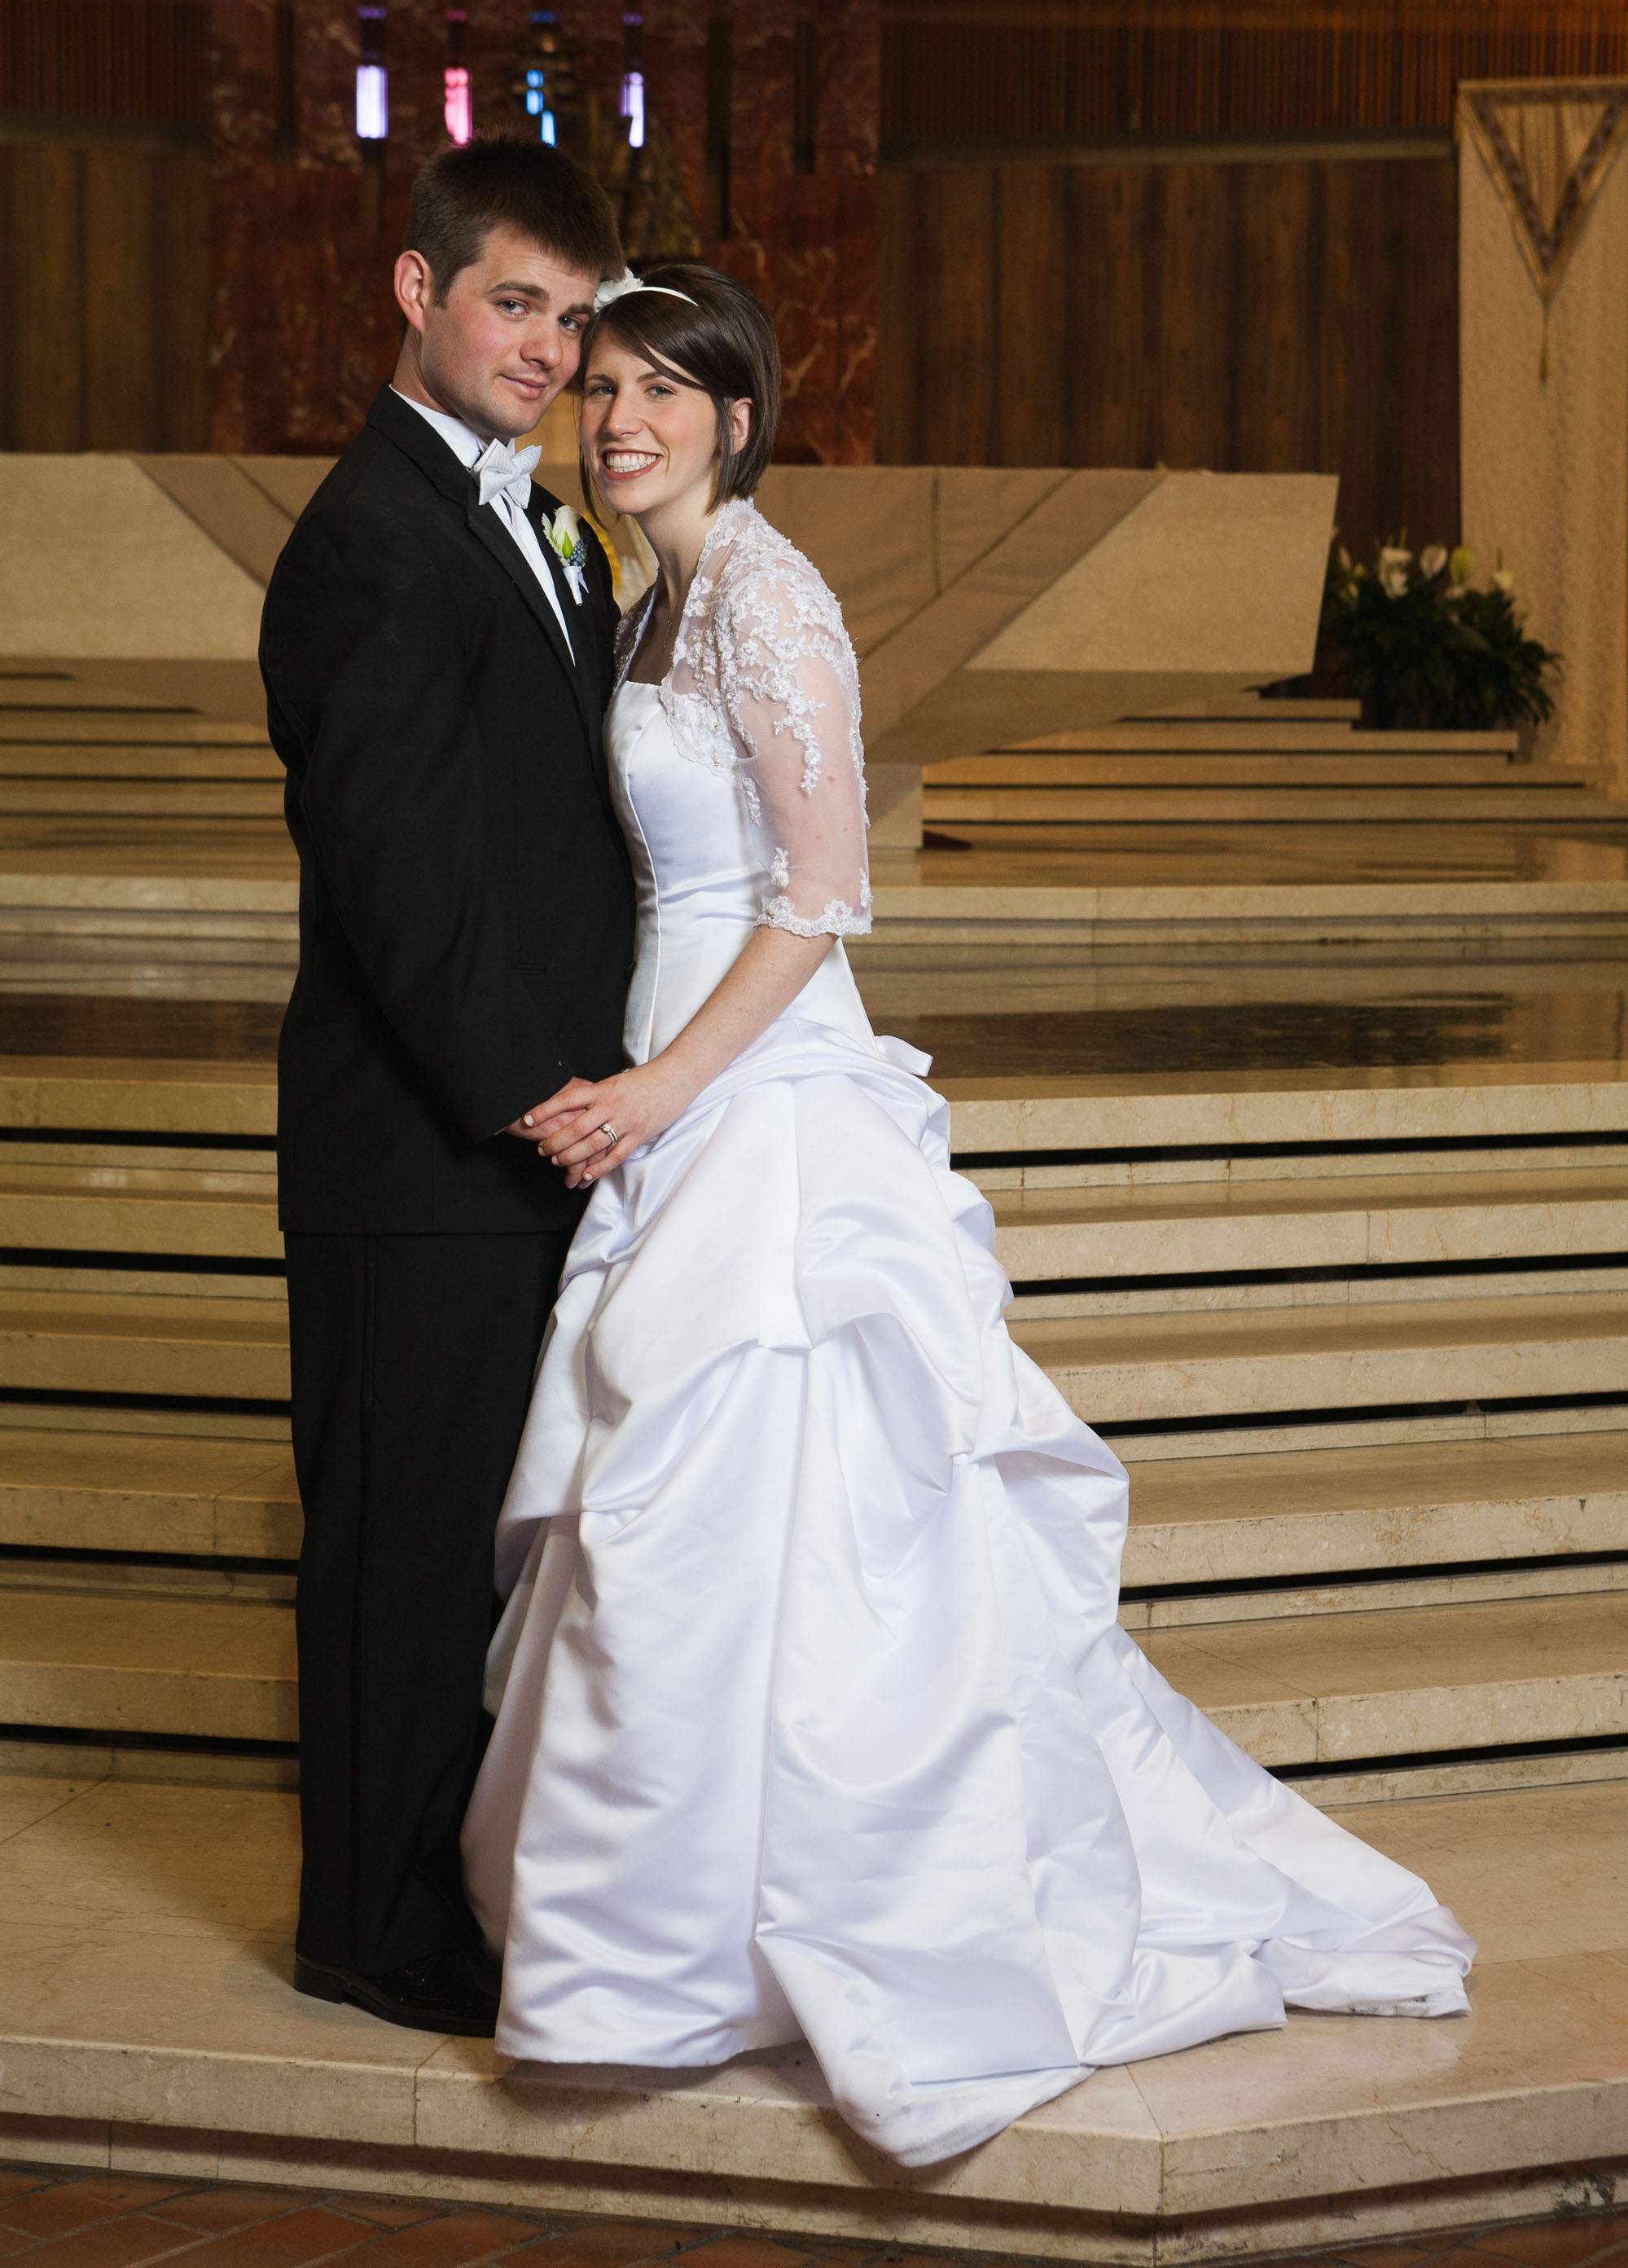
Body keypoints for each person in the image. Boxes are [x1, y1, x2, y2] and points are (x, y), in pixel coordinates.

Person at [459, 261, 1476, 2165]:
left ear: (739, 417)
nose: (622, 420)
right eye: (601, 386)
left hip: (757, 1089)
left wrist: (670, 1088)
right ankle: (672, 1933)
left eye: (666, 390)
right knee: (676, 1505)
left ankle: (817, 1924)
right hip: (674, 1076)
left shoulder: (769, 596)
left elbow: (825, 893)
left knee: (795, 1489)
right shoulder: (655, 595)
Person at [259, 138, 634, 2037]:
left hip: (516, 1149)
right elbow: (404, 893)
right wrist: (545, 1100)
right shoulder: (368, 542)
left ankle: (453, 1888)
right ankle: (371, 1932)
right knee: (399, 1552)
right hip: (421, 1151)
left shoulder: (531, 517)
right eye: (515, 304)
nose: (550, 351)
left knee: (472, 1556)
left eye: (574, 319)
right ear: (417, 293)